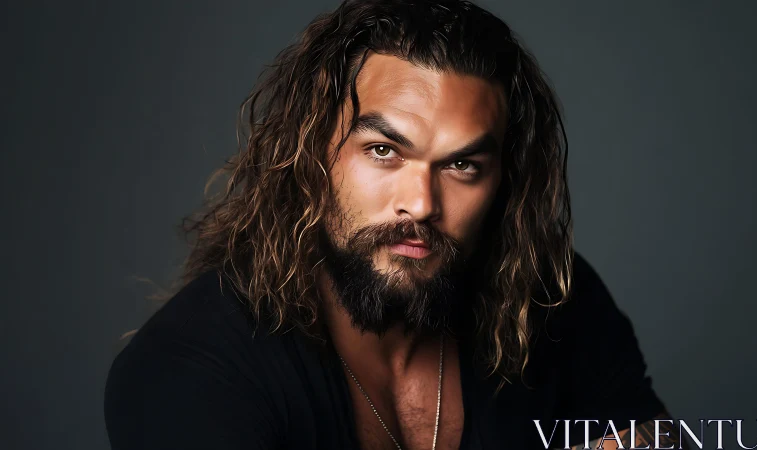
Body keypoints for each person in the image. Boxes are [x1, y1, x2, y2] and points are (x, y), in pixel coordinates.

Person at [104, 0, 678, 449]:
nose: (421, 204)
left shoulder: (552, 299)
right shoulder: (192, 369)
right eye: (383, 151)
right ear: (310, 155)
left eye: (461, 165)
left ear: (504, 181)